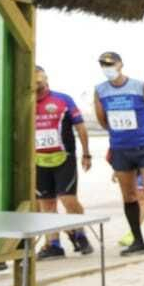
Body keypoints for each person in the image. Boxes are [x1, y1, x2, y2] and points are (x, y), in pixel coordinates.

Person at [94, 51, 144, 256]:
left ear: (120, 64)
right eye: (103, 64)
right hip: (120, 147)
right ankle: (138, 241)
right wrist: (117, 133)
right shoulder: (100, 90)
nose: (107, 67)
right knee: (128, 196)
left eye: (110, 63)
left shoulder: (140, 86)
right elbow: (102, 119)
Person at [32, 66, 94, 259]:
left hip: (63, 158)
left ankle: (80, 233)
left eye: (40, 81)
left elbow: (81, 127)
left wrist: (86, 153)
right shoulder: (24, 101)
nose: (37, 86)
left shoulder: (63, 99)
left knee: (68, 199)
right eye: (34, 83)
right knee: (46, 203)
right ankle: (54, 245)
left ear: (46, 79)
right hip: (39, 160)